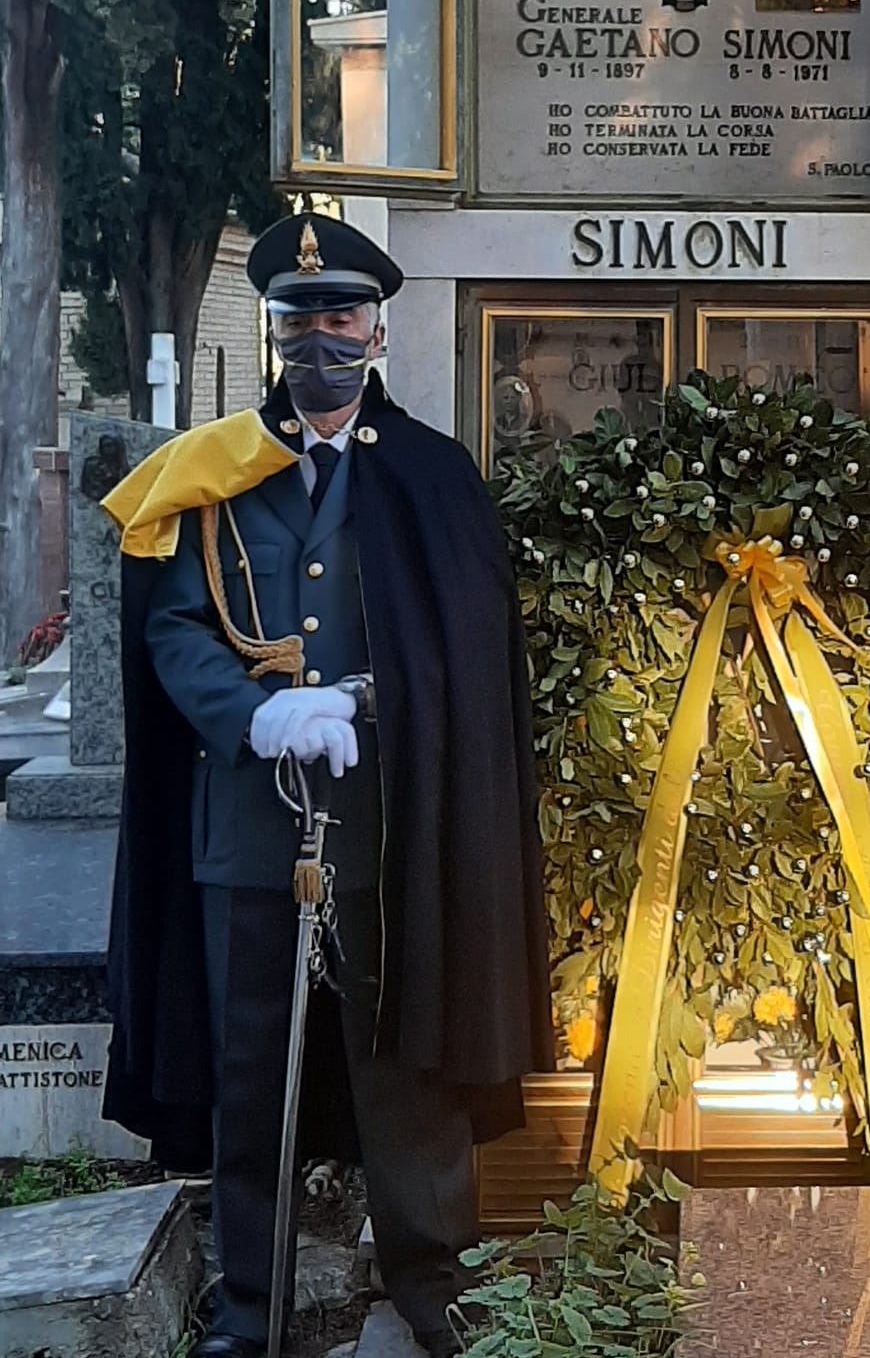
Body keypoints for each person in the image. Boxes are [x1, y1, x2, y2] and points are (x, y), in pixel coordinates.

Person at [102, 214, 553, 1358]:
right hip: (246, 832)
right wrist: (256, 712)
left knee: (409, 1068)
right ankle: (248, 1309)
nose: (321, 341)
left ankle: (431, 1284)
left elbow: (464, 657)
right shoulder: (207, 478)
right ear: (274, 335)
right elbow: (176, 631)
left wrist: (359, 702)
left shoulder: (435, 478)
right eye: (301, 322)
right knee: (250, 1079)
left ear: (378, 332)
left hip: (395, 829)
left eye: (341, 319)